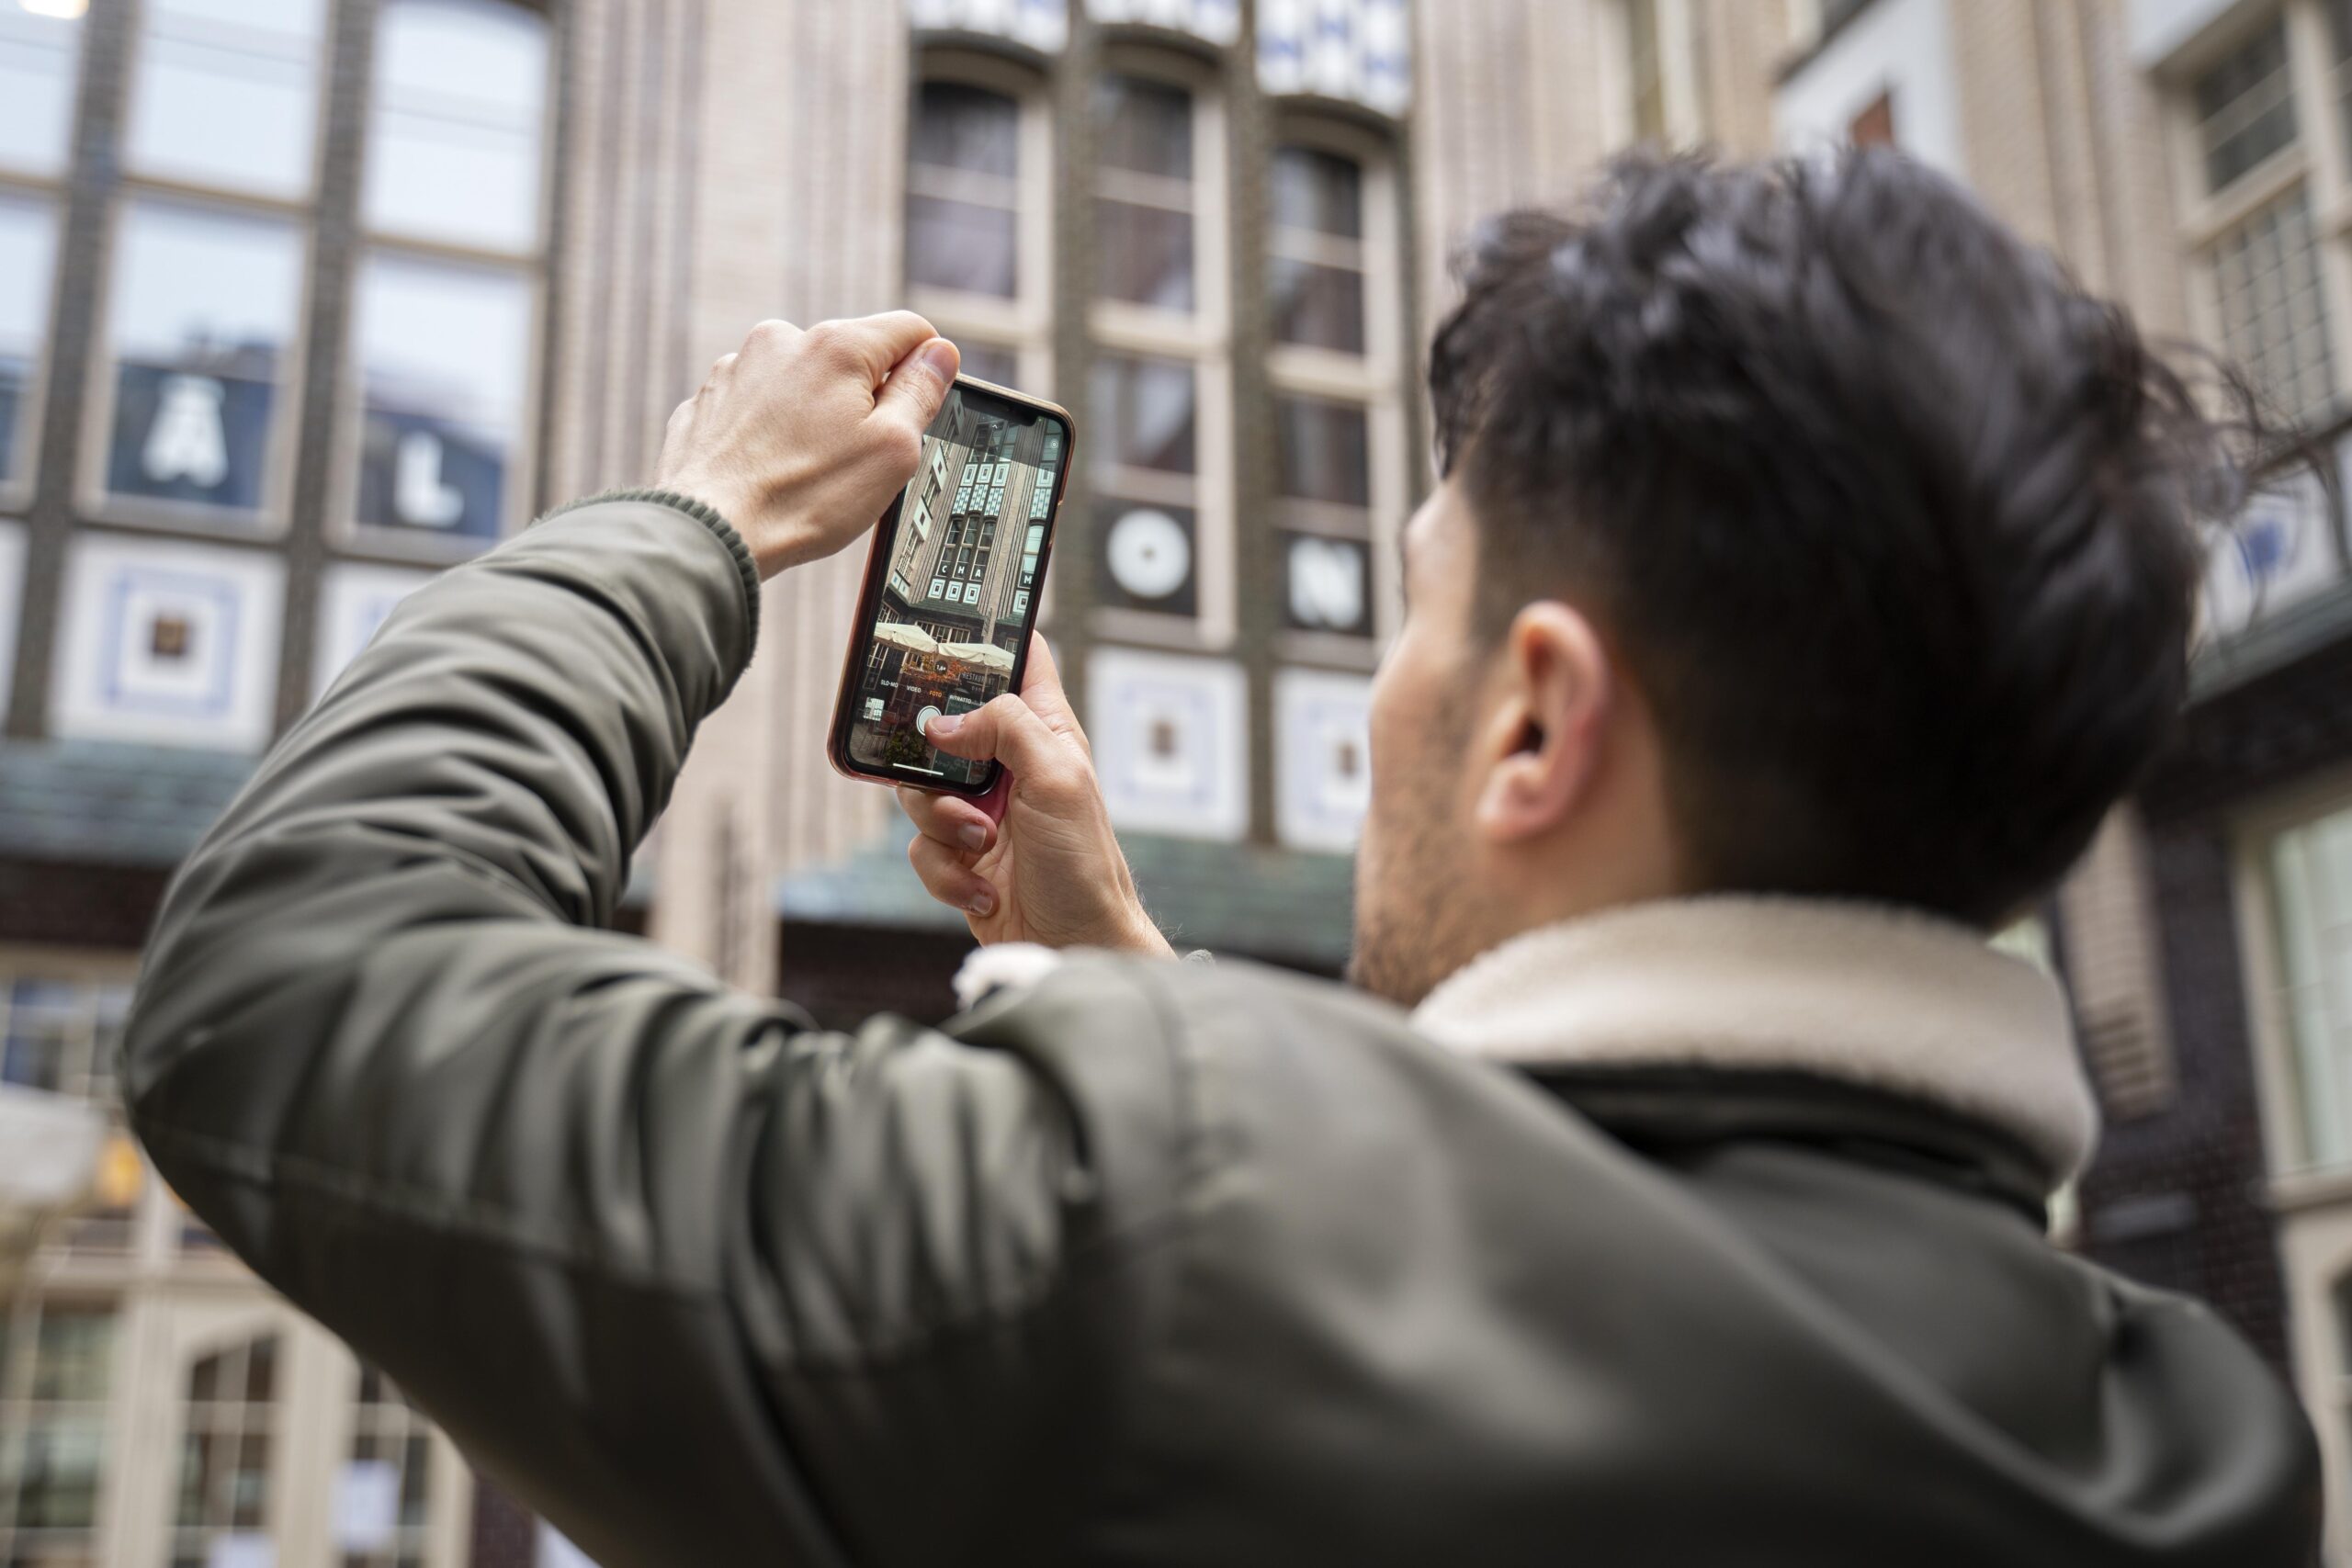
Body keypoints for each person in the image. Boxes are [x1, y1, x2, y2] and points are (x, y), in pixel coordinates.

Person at [124, 150, 2319, 1566]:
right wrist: (1119, 977)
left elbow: (282, 978)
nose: (1385, 703)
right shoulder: (2201, 1439)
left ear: (1537, 717)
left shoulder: (1157, 1227)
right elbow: (1471, 1294)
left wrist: (689, 520)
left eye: (1418, 612)